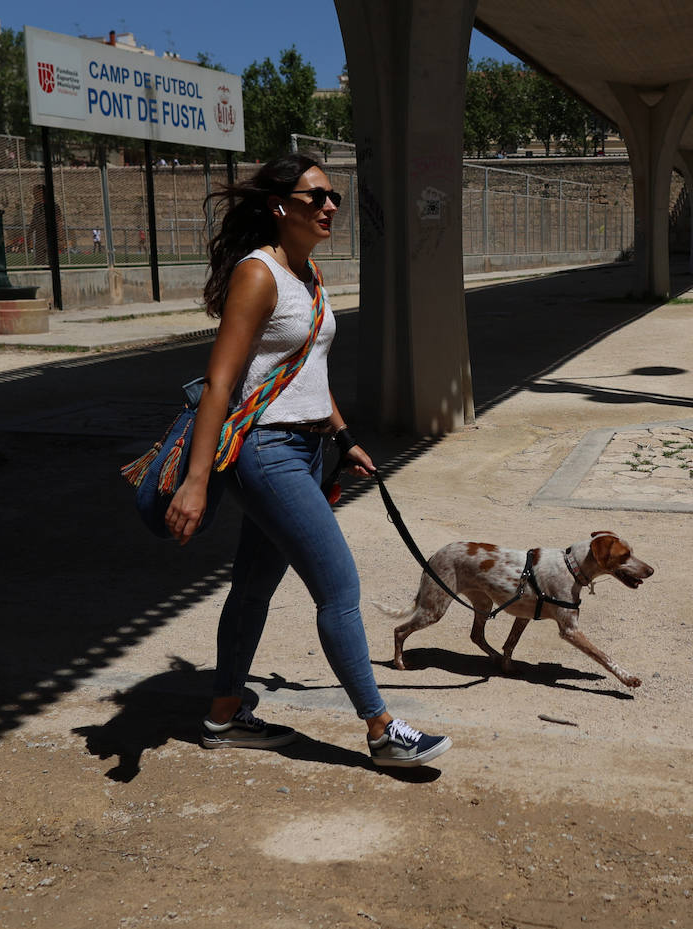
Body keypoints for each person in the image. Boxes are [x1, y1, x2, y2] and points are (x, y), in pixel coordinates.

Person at [164, 153, 451, 769]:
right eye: (315, 196)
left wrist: (343, 436)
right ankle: (380, 731)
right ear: (279, 206)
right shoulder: (259, 275)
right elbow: (221, 382)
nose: (329, 207)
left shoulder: (308, 273)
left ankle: (222, 715)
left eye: (334, 198)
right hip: (266, 452)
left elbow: (305, 373)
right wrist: (193, 481)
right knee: (339, 587)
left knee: (252, 588)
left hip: (309, 447)